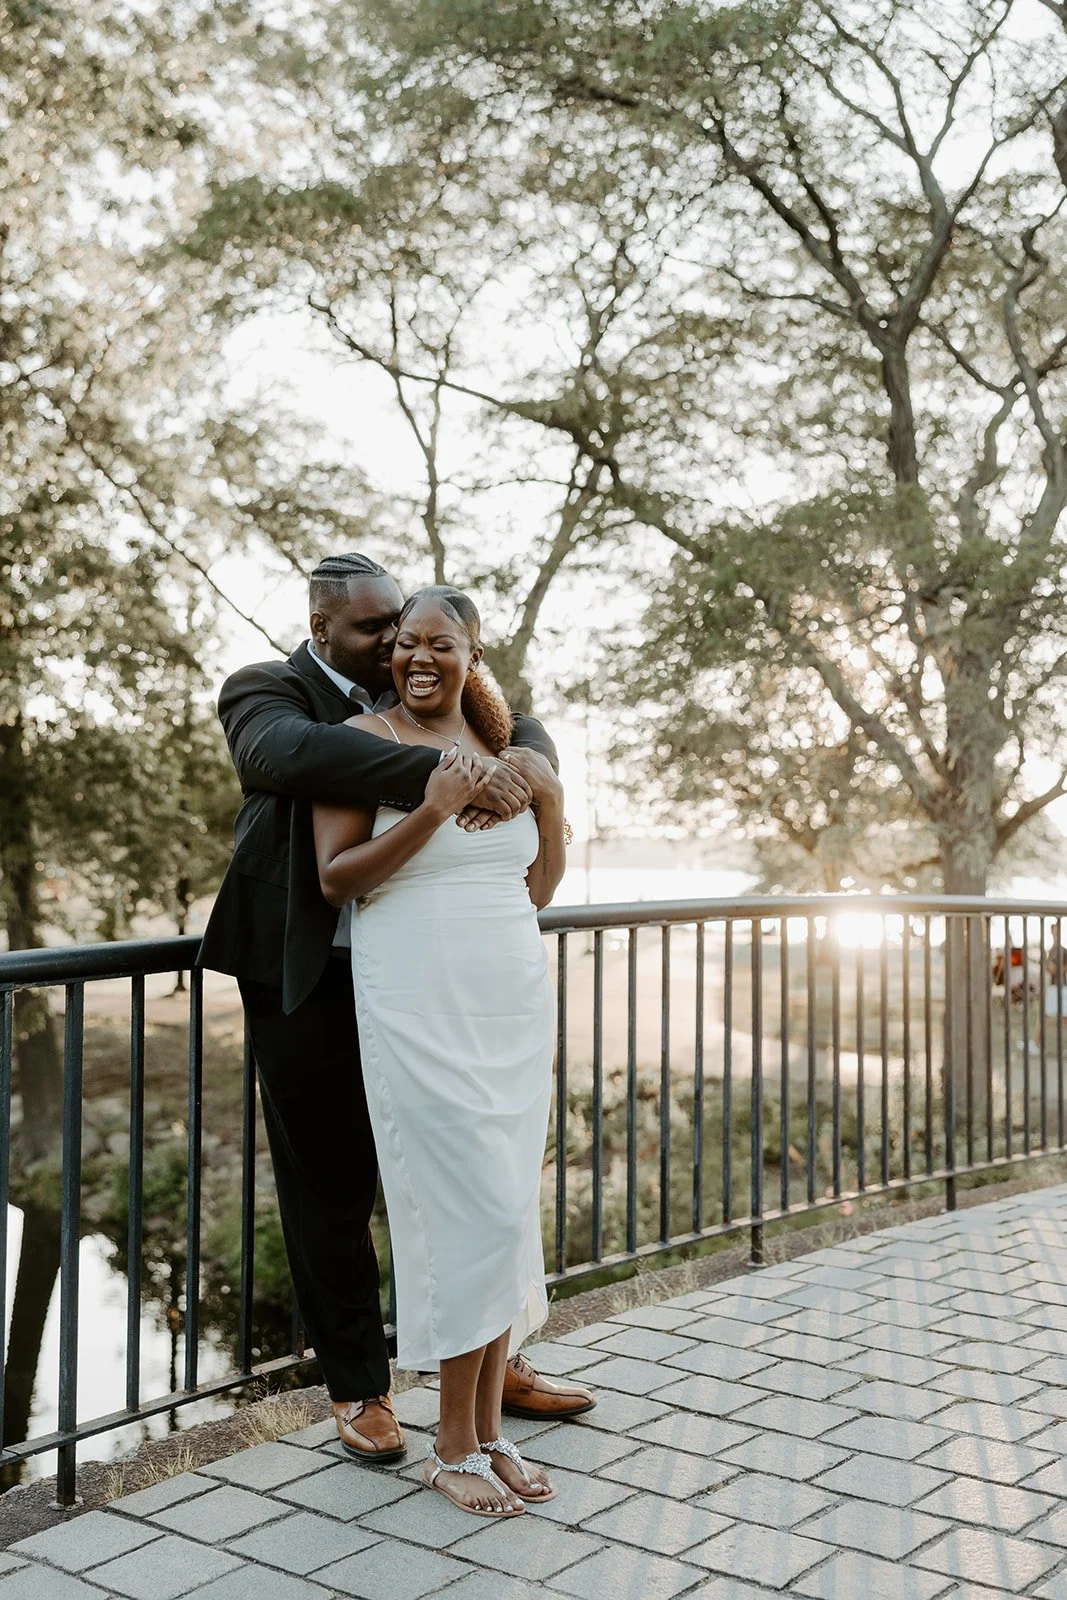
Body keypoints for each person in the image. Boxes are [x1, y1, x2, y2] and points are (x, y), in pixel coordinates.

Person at [200, 554, 594, 1467]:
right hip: (308, 972)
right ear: (322, 626)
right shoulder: (271, 692)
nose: (391, 646)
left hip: (440, 971)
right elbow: (293, 756)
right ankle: (360, 1389)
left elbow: (524, 733)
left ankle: (492, 1365)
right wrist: (453, 772)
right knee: (332, 1185)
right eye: (376, 630)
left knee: (477, 1176)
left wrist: (525, 767)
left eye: (406, 628)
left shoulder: (439, 695)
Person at [313, 586, 565, 1517]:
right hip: (415, 1001)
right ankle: (451, 1444)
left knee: (504, 1215)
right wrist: (431, 807)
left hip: (509, 1001)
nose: (418, 659)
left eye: (439, 645)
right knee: (463, 1217)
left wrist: (551, 791)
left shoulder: (508, 752)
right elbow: (336, 880)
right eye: (404, 645)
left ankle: (490, 1431)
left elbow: (536, 883)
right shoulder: (361, 743)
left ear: (473, 652)